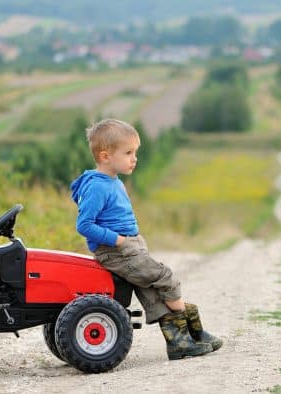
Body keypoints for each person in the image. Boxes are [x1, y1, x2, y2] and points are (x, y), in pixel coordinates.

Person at [70, 118, 222, 360]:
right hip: (117, 252)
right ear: (105, 156)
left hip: (129, 248)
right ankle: (194, 330)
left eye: (135, 152)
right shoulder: (98, 187)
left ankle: (179, 343)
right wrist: (119, 241)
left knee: (152, 293)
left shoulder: (113, 181)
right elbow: (85, 225)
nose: (134, 158)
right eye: (128, 152)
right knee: (165, 277)